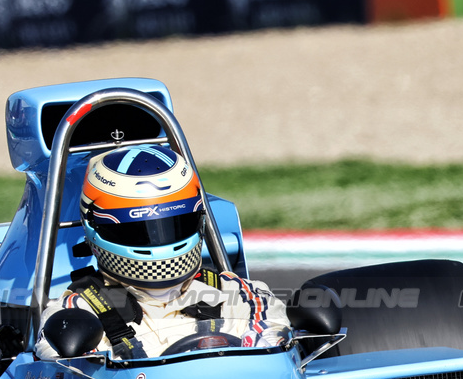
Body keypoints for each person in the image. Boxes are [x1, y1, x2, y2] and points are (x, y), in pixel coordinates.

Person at [36, 143, 290, 360]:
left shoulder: (241, 296)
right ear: (95, 227)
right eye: (138, 230)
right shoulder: (75, 315)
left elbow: (273, 352)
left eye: (173, 225)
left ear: (199, 219)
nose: (160, 244)